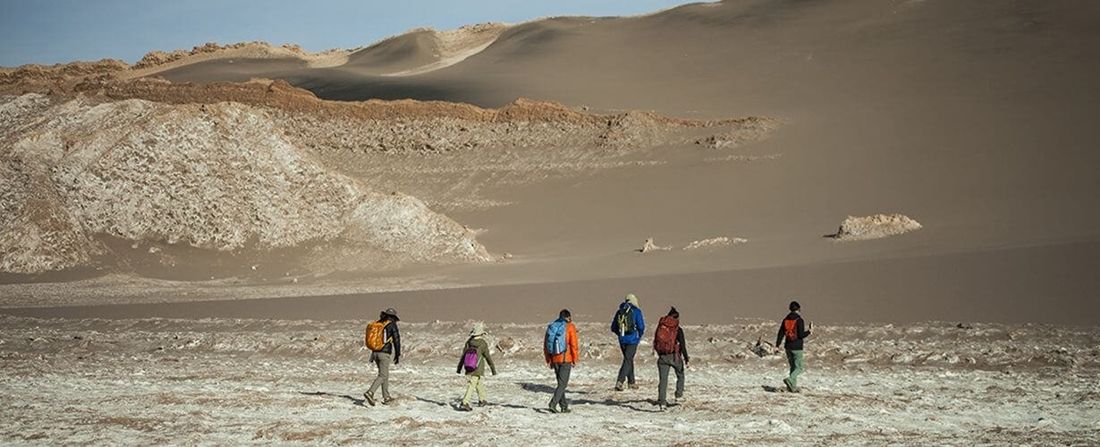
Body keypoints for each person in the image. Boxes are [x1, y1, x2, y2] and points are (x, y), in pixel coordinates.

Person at [544, 309, 580, 414]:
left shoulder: (552, 326)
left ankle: (564, 406)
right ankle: (553, 403)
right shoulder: (570, 327)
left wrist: (548, 359)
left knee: (561, 384)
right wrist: (575, 359)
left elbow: (546, 345)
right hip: (565, 359)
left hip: (554, 359)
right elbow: (573, 345)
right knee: (563, 384)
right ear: (568, 317)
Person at [456, 322, 497, 411]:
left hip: (469, 366)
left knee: (478, 382)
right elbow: (487, 357)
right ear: (481, 333)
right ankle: (465, 402)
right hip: (478, 368)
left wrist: (459, 368)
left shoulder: (469, 342)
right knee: (472, 384)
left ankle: (482, 400)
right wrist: (493, 369)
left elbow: (463, 355)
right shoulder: (483, 343)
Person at [653, 307, 689, 410]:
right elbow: (682, 345)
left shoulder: (661, 327)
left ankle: (662, 402)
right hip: (674, 356)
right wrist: (686, 359)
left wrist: (660, 353)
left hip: (662, 357)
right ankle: (678, 395)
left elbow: (656, 341)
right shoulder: (678, 329)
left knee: (663, 380)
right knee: (680, 374)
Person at [364, 307, 401, 406]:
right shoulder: (392, 325)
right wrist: (397, 354)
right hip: (384, 353)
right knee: (383, 375)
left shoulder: (379, 323)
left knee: (384, 375)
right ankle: (370, 392)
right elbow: (396, 340)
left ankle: (386, 397)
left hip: (375, 353)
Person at [610, 293, 645, 391]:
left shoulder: (619, 311)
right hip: (632, 339)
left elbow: (613, 327)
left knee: (628, 359)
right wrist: (638, 335)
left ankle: (631, 382)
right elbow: (641, 326)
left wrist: (621, 334)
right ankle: (620, 381)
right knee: (628, 360)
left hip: (622, 340)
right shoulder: (636, 311)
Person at [775, 300, 812, 393]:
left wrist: (777, 345)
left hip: (788, 346)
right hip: (797, 347)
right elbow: (801, 335)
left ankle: (792, 387)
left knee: (792, 367)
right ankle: (790, 379)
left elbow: (780, 333)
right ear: (798, 309)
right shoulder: (799, 320)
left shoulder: (785, 320)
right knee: (799, 367)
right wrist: (809, 332)